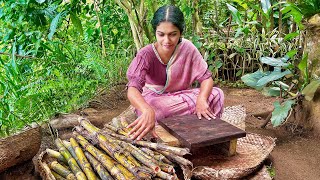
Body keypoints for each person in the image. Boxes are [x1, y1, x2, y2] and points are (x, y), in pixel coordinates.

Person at [126, 5, 224, 141]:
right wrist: (147, 110)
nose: (167, 41)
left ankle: (201, 127)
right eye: (161, 34)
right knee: (156, 111)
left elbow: (206, 78)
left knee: (217, 94)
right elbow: (132, 90)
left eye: (173, 34)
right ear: (155, 32)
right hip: (155, 99)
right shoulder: (146, 54)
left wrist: (201, 99)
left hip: (179, 98)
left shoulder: (188, 48)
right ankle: (182, 122)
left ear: (180, 33)